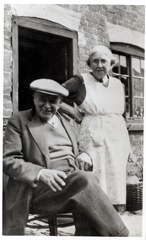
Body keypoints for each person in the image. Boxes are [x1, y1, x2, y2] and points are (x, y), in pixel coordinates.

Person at [3, 79, 129, 236]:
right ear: (34, 98)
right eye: (42, 99)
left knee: (86, 187)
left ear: (61, 102)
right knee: (86, 181)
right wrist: (41, 173)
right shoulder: (19, 120)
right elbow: (8, 160)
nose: (47, 106)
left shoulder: (68, 123)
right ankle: (121, 235)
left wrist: (84, 154)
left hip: (71, 184)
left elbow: (78, 150)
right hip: (39, 190)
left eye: (53, 101)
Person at [62, 45, 131, 210]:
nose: (99, 65)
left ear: (111, 64)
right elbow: (52, 94)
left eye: (103, 61)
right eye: (95, 61)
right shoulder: (80, 81)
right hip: (93, 132)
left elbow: (120, 114)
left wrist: (128, 145)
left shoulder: (117, 84)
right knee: (95, 172)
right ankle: (96, 214)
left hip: (117, 135)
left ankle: (116, 217)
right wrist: (73, 112)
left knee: (117, 176)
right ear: (89, 64)